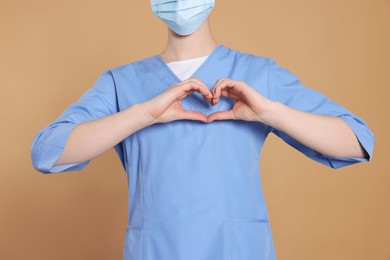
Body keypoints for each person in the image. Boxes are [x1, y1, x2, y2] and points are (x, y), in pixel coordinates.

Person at [30, 0, 375, 259]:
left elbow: (357, 141)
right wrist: (144, 113)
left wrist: (270, 112)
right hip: (156, 250)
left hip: (238, 250)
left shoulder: (257, 74)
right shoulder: (122, 83)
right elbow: (47, 152)